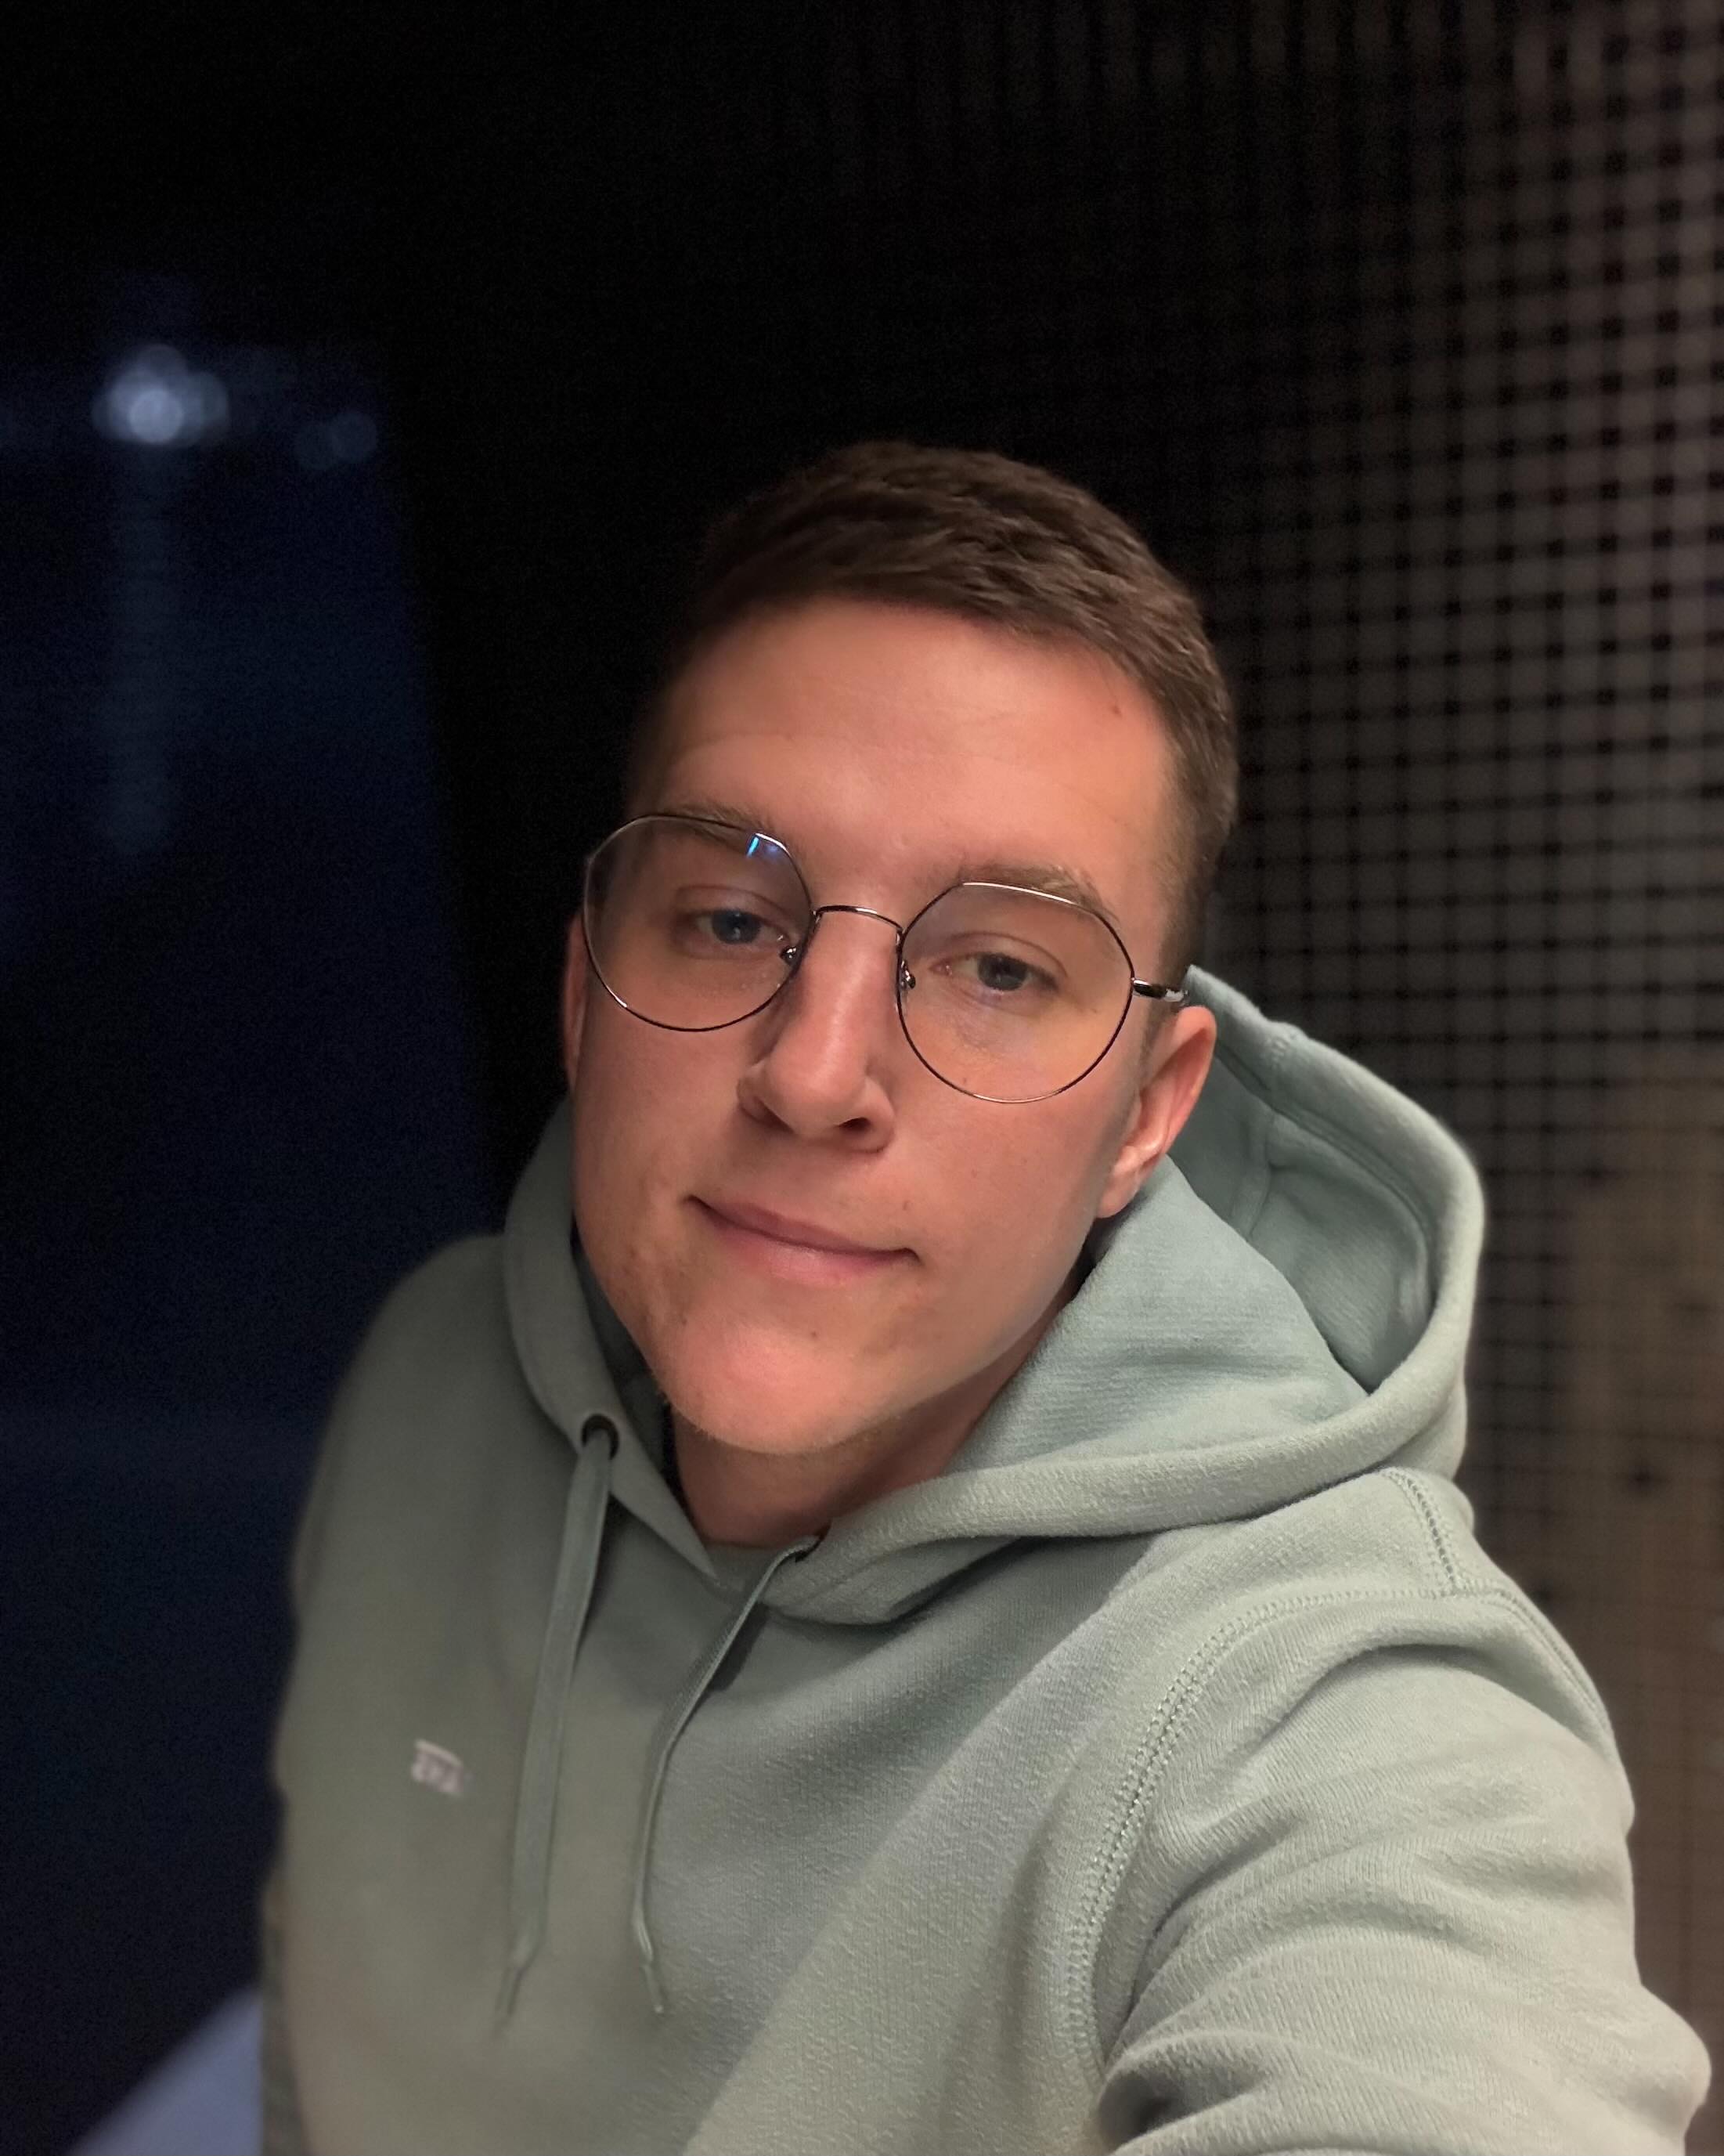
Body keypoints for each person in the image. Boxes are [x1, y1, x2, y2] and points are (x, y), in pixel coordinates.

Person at [261, 441, 1710, 2155]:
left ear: (1147, 1115)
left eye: (1000, 967)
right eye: (731, 918)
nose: (816, 1075)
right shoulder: (430, 1372)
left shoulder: (1322, 1706)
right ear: (588, 990)